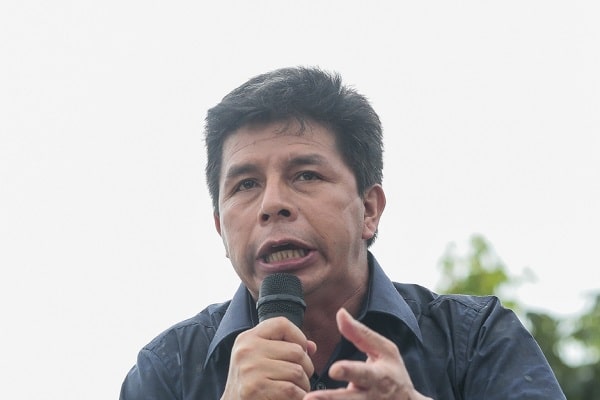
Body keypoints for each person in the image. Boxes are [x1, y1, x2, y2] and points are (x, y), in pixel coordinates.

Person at [120, 66, 566, 399]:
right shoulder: (168, 371)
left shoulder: (474, 339)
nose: (272, 204)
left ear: (369, 210)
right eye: (246, 185)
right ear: (220, 227)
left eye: (306, 175)